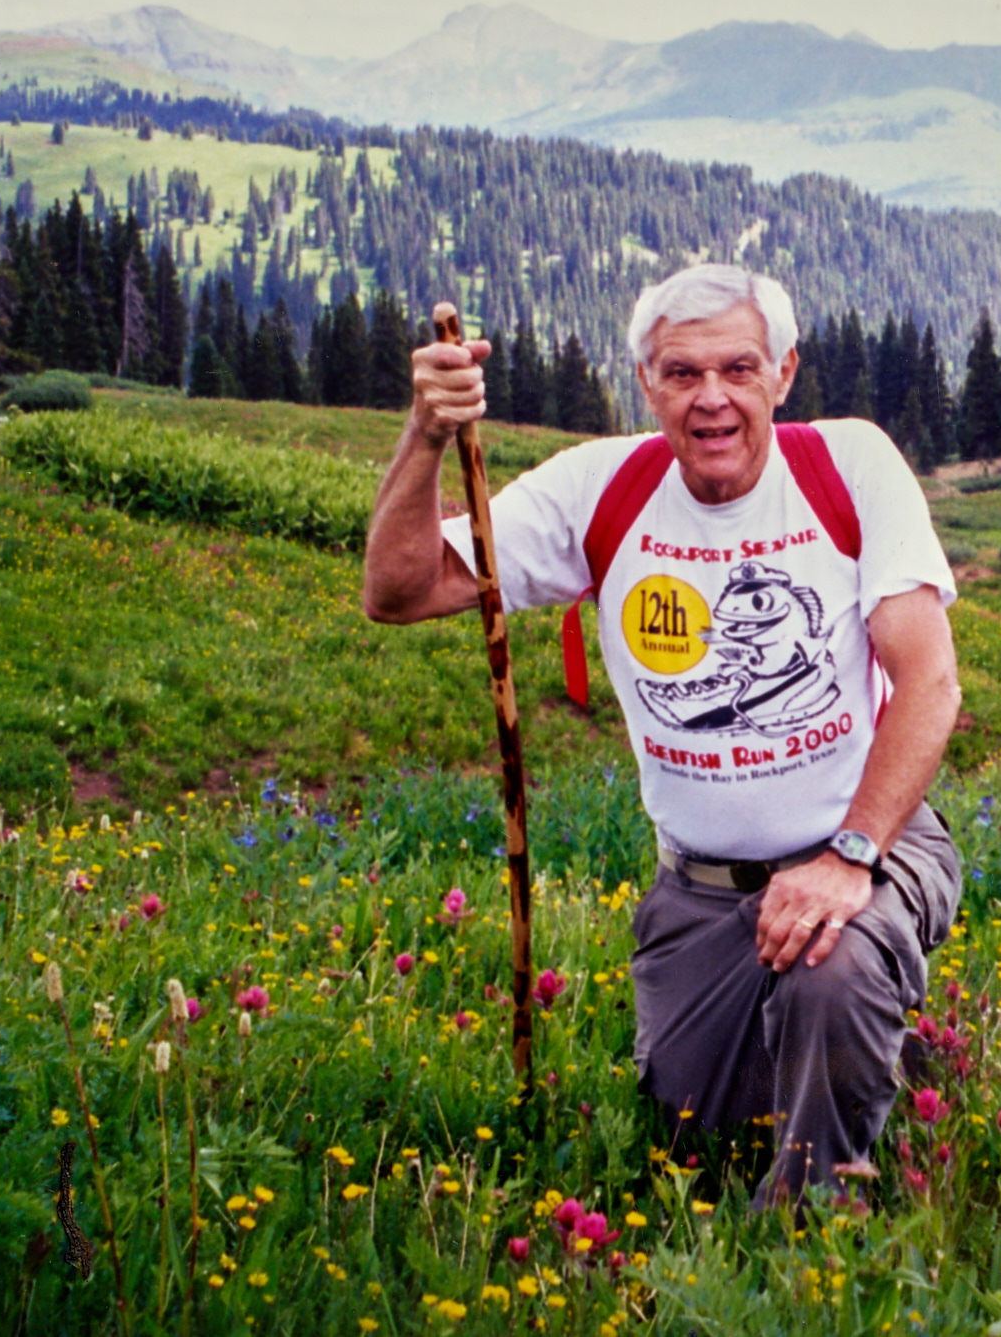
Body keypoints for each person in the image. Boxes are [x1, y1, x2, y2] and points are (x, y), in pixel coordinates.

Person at [363, 263, 962, 1207]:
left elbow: (929, 681)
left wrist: (849, 858)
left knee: (830, 969)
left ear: (784, 372)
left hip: (866, 843)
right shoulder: (601, 489)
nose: (711, 397)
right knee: (695, 1127)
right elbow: (398, 589)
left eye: (738, 368)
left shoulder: (849, 467)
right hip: (702, 887)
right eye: (682, 373)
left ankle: (810, 1229)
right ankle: (882, 1055)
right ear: (646, 382)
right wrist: (428, 433)